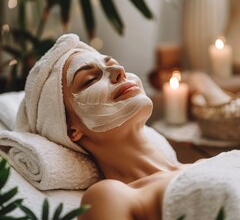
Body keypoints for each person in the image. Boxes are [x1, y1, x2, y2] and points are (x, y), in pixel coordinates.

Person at [16, 34, 238, 220]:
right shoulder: (112, 196)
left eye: (113, 65)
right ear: (71, 130)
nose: (119, 72)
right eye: (90, 80)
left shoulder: (207, 162)